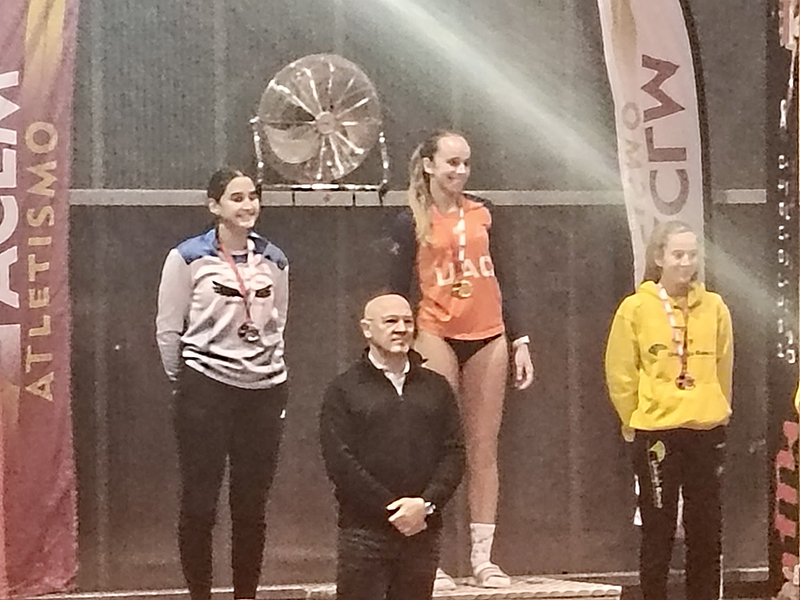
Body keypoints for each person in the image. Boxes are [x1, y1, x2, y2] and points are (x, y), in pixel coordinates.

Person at [386, 130, 534, 589]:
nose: (461, 171)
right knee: (435, 446)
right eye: (452, 162)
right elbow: (394, 286)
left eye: (466, 163)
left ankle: (483, 557)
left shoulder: (485, 212)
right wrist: (396, 340)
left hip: (488, 332)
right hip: (435, 330)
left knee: (483, 448)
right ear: (429, 165)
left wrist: (521, 339)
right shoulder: (410, 218)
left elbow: (506, 276)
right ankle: (430, 556)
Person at [156, 167, 289, 600]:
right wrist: (189, 381)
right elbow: (168, 329)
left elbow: (278, 323)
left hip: (263, 392)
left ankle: (245, 594)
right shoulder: (187, 257)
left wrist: (266, 369)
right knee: (200, 503)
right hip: (205, 389)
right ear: (214, 205)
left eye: (253, 196)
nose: (248, 205)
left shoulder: (275, 259)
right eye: (237, 197)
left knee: (251, 507)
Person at [604, 220, 733, 600]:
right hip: (657, 433)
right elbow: (620, 372)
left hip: (706, 429)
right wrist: (633, 419)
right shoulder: (635, 308)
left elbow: (724, 366)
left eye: (692, 255)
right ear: (659, 257)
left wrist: (718, 407)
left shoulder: (715, 307)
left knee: (706, 529)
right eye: (678, 254)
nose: (686, 262)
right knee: (658, 527)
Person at [320, 293, 465, 600]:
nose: (401, 329)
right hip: (363, 535)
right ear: (367, 329)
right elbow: (341, 463)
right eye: (390, 321)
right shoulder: (343, 390)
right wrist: (393, 510)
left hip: (422, 532)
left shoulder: (437, 387)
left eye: (407, 321)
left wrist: (424, 505)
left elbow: (454, 453)